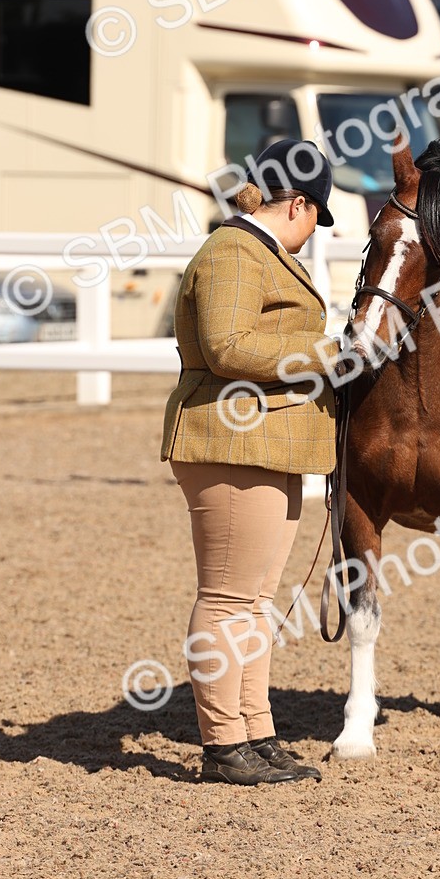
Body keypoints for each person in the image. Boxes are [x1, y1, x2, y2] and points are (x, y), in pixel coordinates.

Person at [161, 139, 339, 785]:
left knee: (256, 601)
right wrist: (334, 354)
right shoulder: (235, 252)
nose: (312, 232)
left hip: (266, 443)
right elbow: (230, 347)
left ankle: (254, 731)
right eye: (316, 217)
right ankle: (222, 742)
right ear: (299, 203)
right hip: (234, 441)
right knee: (229, 597)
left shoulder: (252, 250)